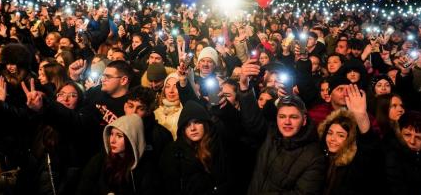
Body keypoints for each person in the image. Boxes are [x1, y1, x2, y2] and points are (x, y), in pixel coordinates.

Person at [238, 60, 325, 194]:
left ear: (304, 120)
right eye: (282, 116)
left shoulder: (314, 157)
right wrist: (244, 86)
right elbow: (253, 122)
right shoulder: (272, 135)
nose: (287, 122)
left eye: (294, 117)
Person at [317, 85, 382, 195]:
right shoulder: (320, 158)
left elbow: (369, 147)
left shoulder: (355, 163)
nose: (332, 139)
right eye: (330, 133)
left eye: (341, 135)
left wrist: (361, 116)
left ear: (350, 139)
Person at [160, 101, 231, 195]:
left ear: (206, 124)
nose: (192, 128)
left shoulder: (218, 146)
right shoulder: (173, 151)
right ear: (183, 128)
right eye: (187, 124)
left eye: (197, 122)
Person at [77, 114, 159, 194]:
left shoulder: (147, 167)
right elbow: (84, 188)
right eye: (112, 134)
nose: (112, 140)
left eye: (119, 136)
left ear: (132, 139)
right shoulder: (99, 160)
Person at [384, 110, 421, 195]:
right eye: (407, 135)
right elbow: (395, 188)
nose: (412, 141)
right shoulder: (391, 154)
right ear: (399, 134)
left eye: (419, 138)